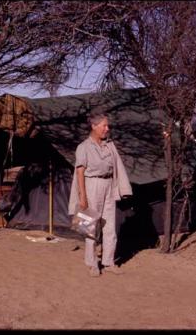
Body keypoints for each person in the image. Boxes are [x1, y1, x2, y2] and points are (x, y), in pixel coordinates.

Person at [68, 112, 132, 277]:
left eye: (107, 125)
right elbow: (80, 173)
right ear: (94, 126)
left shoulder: (109, 145)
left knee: (110, 227)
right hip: (91, 185)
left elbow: (116, 166)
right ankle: (92, 264)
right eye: (104, 125)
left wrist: (120, 188)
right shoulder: (84, 147)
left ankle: (108, 262)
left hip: (108, 185)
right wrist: (83, 197)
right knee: (89, 227)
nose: (107, 129)